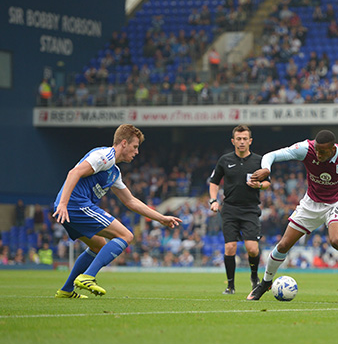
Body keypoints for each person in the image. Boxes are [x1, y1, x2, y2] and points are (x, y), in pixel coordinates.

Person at [53, 124, 181, 299]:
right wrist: (63, 203)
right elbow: (73, 173)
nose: (137, 152)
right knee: (126, 236)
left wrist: (161, 218)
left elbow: (130, 201)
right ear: (123, 143)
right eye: (135, 147)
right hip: (74, 205)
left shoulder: (114, 171)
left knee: (98, 246)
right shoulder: (104, 157)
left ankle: (66, 290)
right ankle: (87, 277)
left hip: (72, 207)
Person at [247, 130, 338, 301]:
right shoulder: (305, 149)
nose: (317, 154)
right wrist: (266, 168)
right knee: (283, 245)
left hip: (336, 202)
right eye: (316, 149)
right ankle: (265, 282)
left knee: (336, 240)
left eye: (322, 152)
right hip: (311, 203)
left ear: (332, 149)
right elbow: (271, 155)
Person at [209, 125, 270, 295]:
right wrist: (213, 200)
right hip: (229, 209)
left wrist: (259, 185)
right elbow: (214, 182)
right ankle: (230, 286)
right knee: (230, 248)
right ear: (233, 141)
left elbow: (268, 183)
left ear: (250, 141)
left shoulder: (259, 161)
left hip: (250, 209)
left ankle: (254, 278)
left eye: (245, 139)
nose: (242, 142)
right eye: (238, 139)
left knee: (252, 248)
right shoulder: (225, 160)